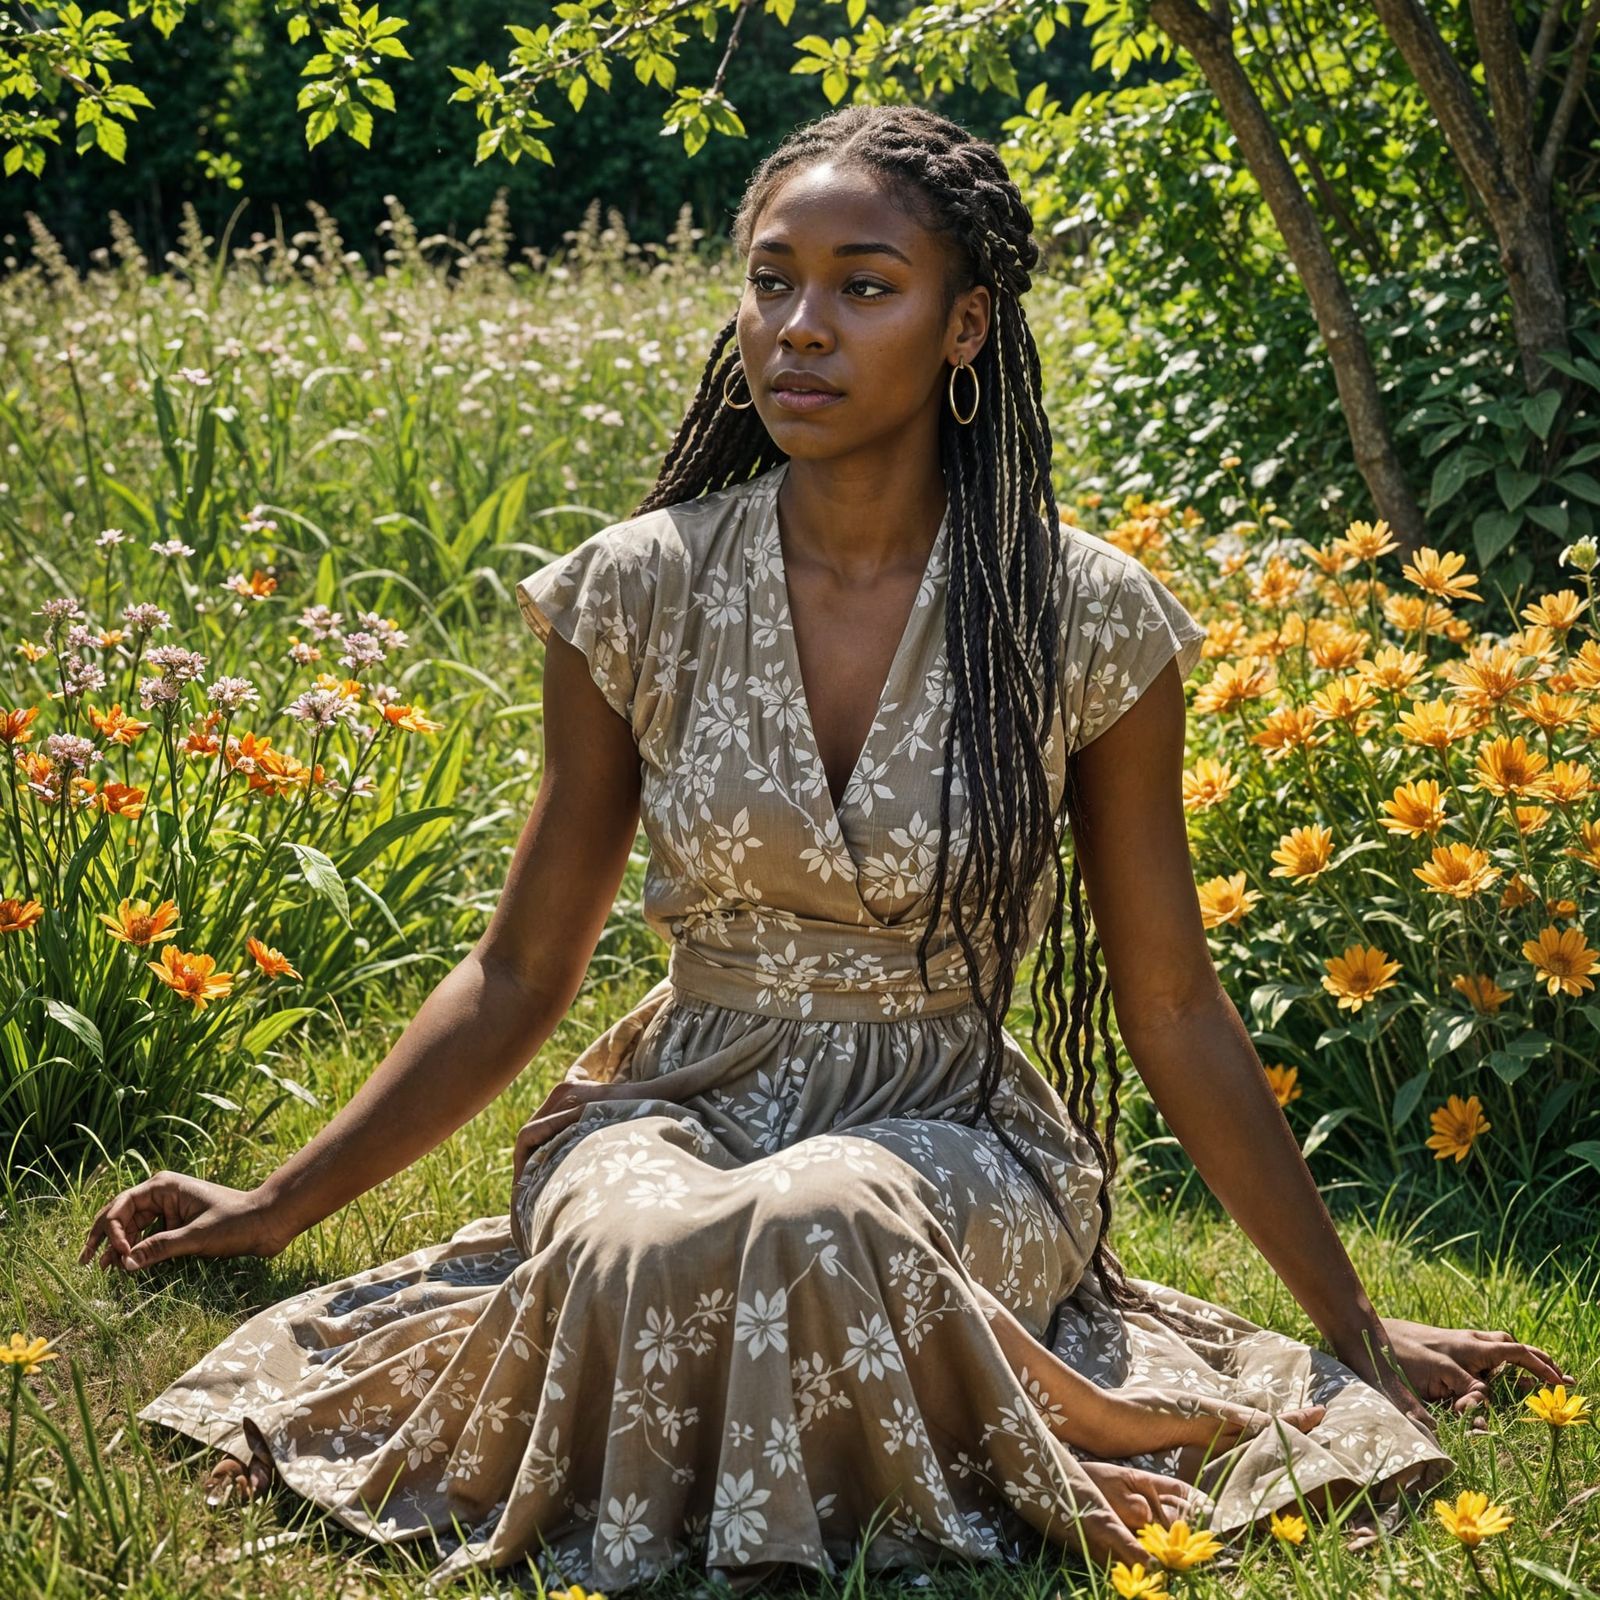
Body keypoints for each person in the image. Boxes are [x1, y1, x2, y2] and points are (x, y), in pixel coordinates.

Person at [81, 104, 1568, 1596]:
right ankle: (910, 1426)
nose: (800, 325)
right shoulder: (639, 590)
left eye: (864, 285)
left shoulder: (1080, 614)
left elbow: (1171, 1002)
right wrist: (275, 1203)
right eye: (771, 279)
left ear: (965, 325)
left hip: (953, 1123)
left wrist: (1356, 1325)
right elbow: (521, 967)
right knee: (636, 1241)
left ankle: (941, 1424)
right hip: (685, 1093)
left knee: (823, 1215)